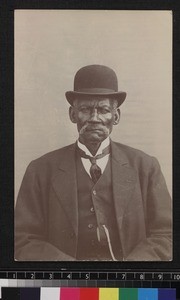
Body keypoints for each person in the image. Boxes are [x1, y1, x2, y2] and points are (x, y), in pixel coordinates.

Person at [15, 64, 172, 261]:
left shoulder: (146, 167)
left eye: (104, 109)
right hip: (67, 282)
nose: (94, 118)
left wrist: (129, 268)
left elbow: (166, 235)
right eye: (86, 109)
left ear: (116, 117)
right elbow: (23, 239)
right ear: (73, 115)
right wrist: (70, 269)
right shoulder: (40, 170)